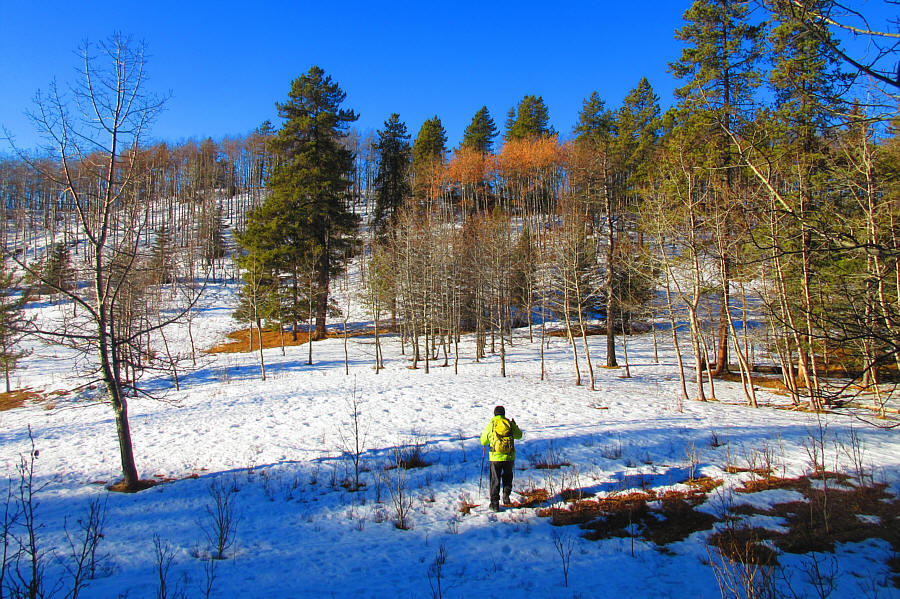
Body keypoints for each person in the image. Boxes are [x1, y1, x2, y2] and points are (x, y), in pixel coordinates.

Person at [480, 405, 523, 511]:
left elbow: (483, 441)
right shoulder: (508, 423)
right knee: (508, 476)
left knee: (495, 479)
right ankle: (506, 496)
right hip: (509, 457)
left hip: (495, 457)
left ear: (495, 414)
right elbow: (519, 435)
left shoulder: (492, 424)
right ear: (504, 413)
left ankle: (494, 504)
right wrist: (514, 425)